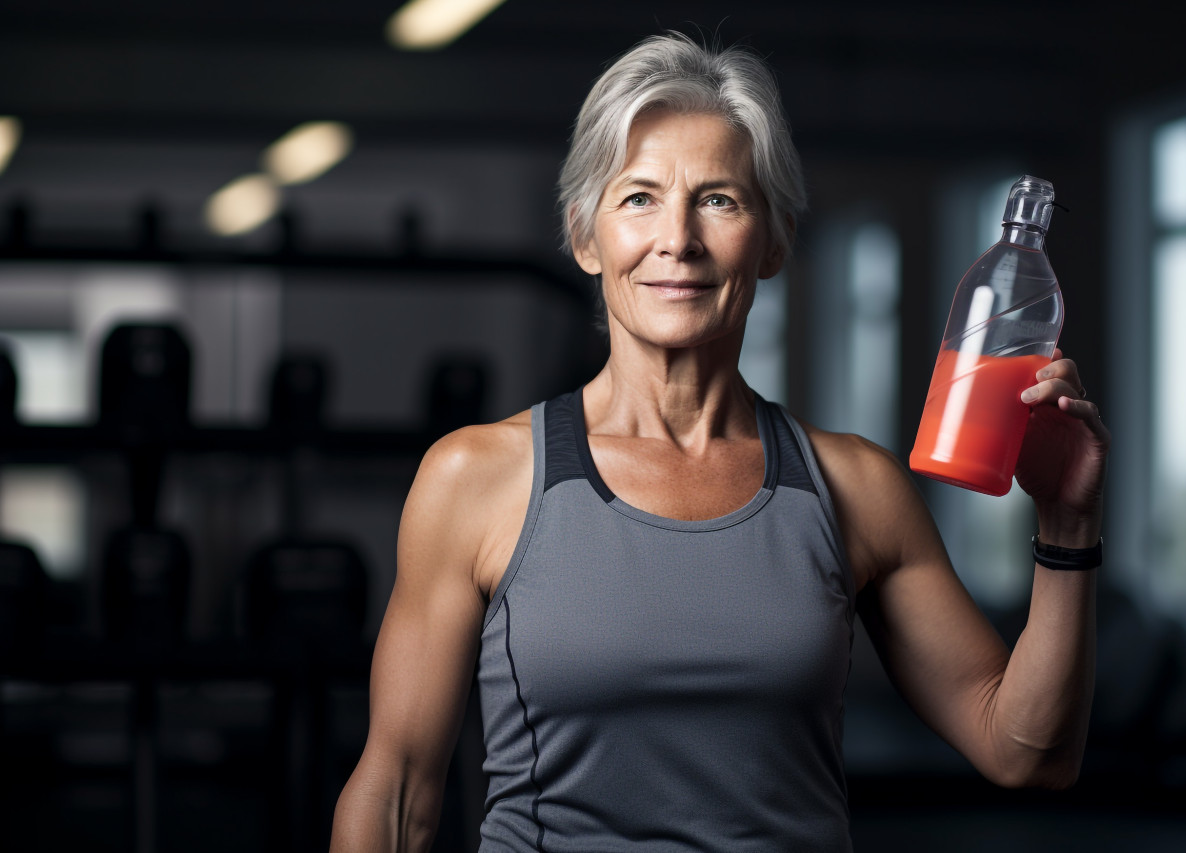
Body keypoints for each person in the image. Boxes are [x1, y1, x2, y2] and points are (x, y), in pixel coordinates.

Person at [330, 30, 1109, 853]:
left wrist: (1067, 528)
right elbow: (396, 793)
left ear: (773, 240)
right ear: (585, 239)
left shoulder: (853, 486)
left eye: (719, 200)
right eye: (638, 198)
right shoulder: (476, 479)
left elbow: (1029, 753)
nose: (679, 239)